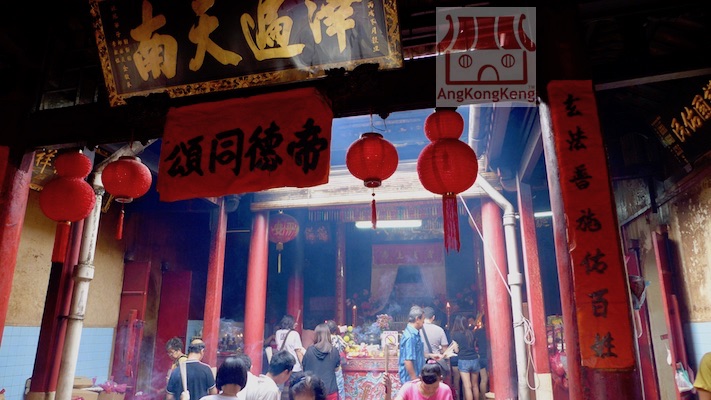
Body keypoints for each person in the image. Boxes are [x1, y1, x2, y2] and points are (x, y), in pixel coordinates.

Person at [301, 323, 340, 400]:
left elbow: (304, 367)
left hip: (313, 391)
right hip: (330, 390)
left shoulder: (310, 350)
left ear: (316, 335)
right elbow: (337, 369)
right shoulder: (334, 351)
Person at [384, 362, 454, 400]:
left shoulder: (445, 390)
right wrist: (388, 391)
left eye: (435, 387)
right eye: (427, 388)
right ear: (420, 379)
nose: (431, 391)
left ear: (440, 379)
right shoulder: (409, 388)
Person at [450, 316, 479, 400]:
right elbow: (475, 346)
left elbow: (456, 350)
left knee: (467, 387)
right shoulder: (471, 333)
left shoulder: (455, 335)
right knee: (475, 385)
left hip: (463, 360)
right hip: (474, 359)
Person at [399, 305, 426, 384]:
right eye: (423, 320)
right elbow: (408, 361)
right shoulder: (410, 337)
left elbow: (417, 353)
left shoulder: (414, 334)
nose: (423, 323)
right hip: (410, 380)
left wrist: (431, 355)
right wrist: (415, 380)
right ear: (417, 319)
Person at [325, 320, 347, 400]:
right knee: (340, 388)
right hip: (337, 366)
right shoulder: (337, 338)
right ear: (335, 330)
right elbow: (345, 347)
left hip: (326, 366)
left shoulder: (324, 339)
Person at [472, 315, 489, 400]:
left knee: (483, 379)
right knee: (491, 378)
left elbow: (473, 343)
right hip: (490, 357)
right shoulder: (492, 330)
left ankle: (483, 397)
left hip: (481, 356)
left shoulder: (478, 332)